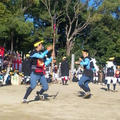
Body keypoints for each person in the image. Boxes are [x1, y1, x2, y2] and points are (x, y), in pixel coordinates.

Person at [22, 39, 53, 103]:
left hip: (41, 73)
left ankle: (40, 93)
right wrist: (47, 50)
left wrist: (51, 58)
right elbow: (40, 56)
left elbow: (45, 63)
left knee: (46, 87)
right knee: (33, 85)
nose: (42, 46)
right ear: (38, 45)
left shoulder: (41, 53)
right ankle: (24, 98)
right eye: (41, 44)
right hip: (34, 73)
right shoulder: (33, 53)